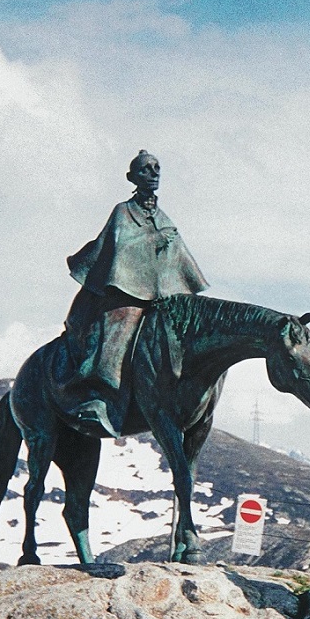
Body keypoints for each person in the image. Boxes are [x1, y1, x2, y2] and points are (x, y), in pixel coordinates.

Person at [59, 150, 209, 435]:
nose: (153, 173)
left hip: (161, 299)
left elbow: (180, 262)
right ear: (132, 177)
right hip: (125, 294)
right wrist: (154, 239)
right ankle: (98, 398)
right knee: (118, 333)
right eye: (145, 169)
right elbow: (121, 249)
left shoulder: (164, 218)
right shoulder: (122, 211)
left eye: (157, 168)